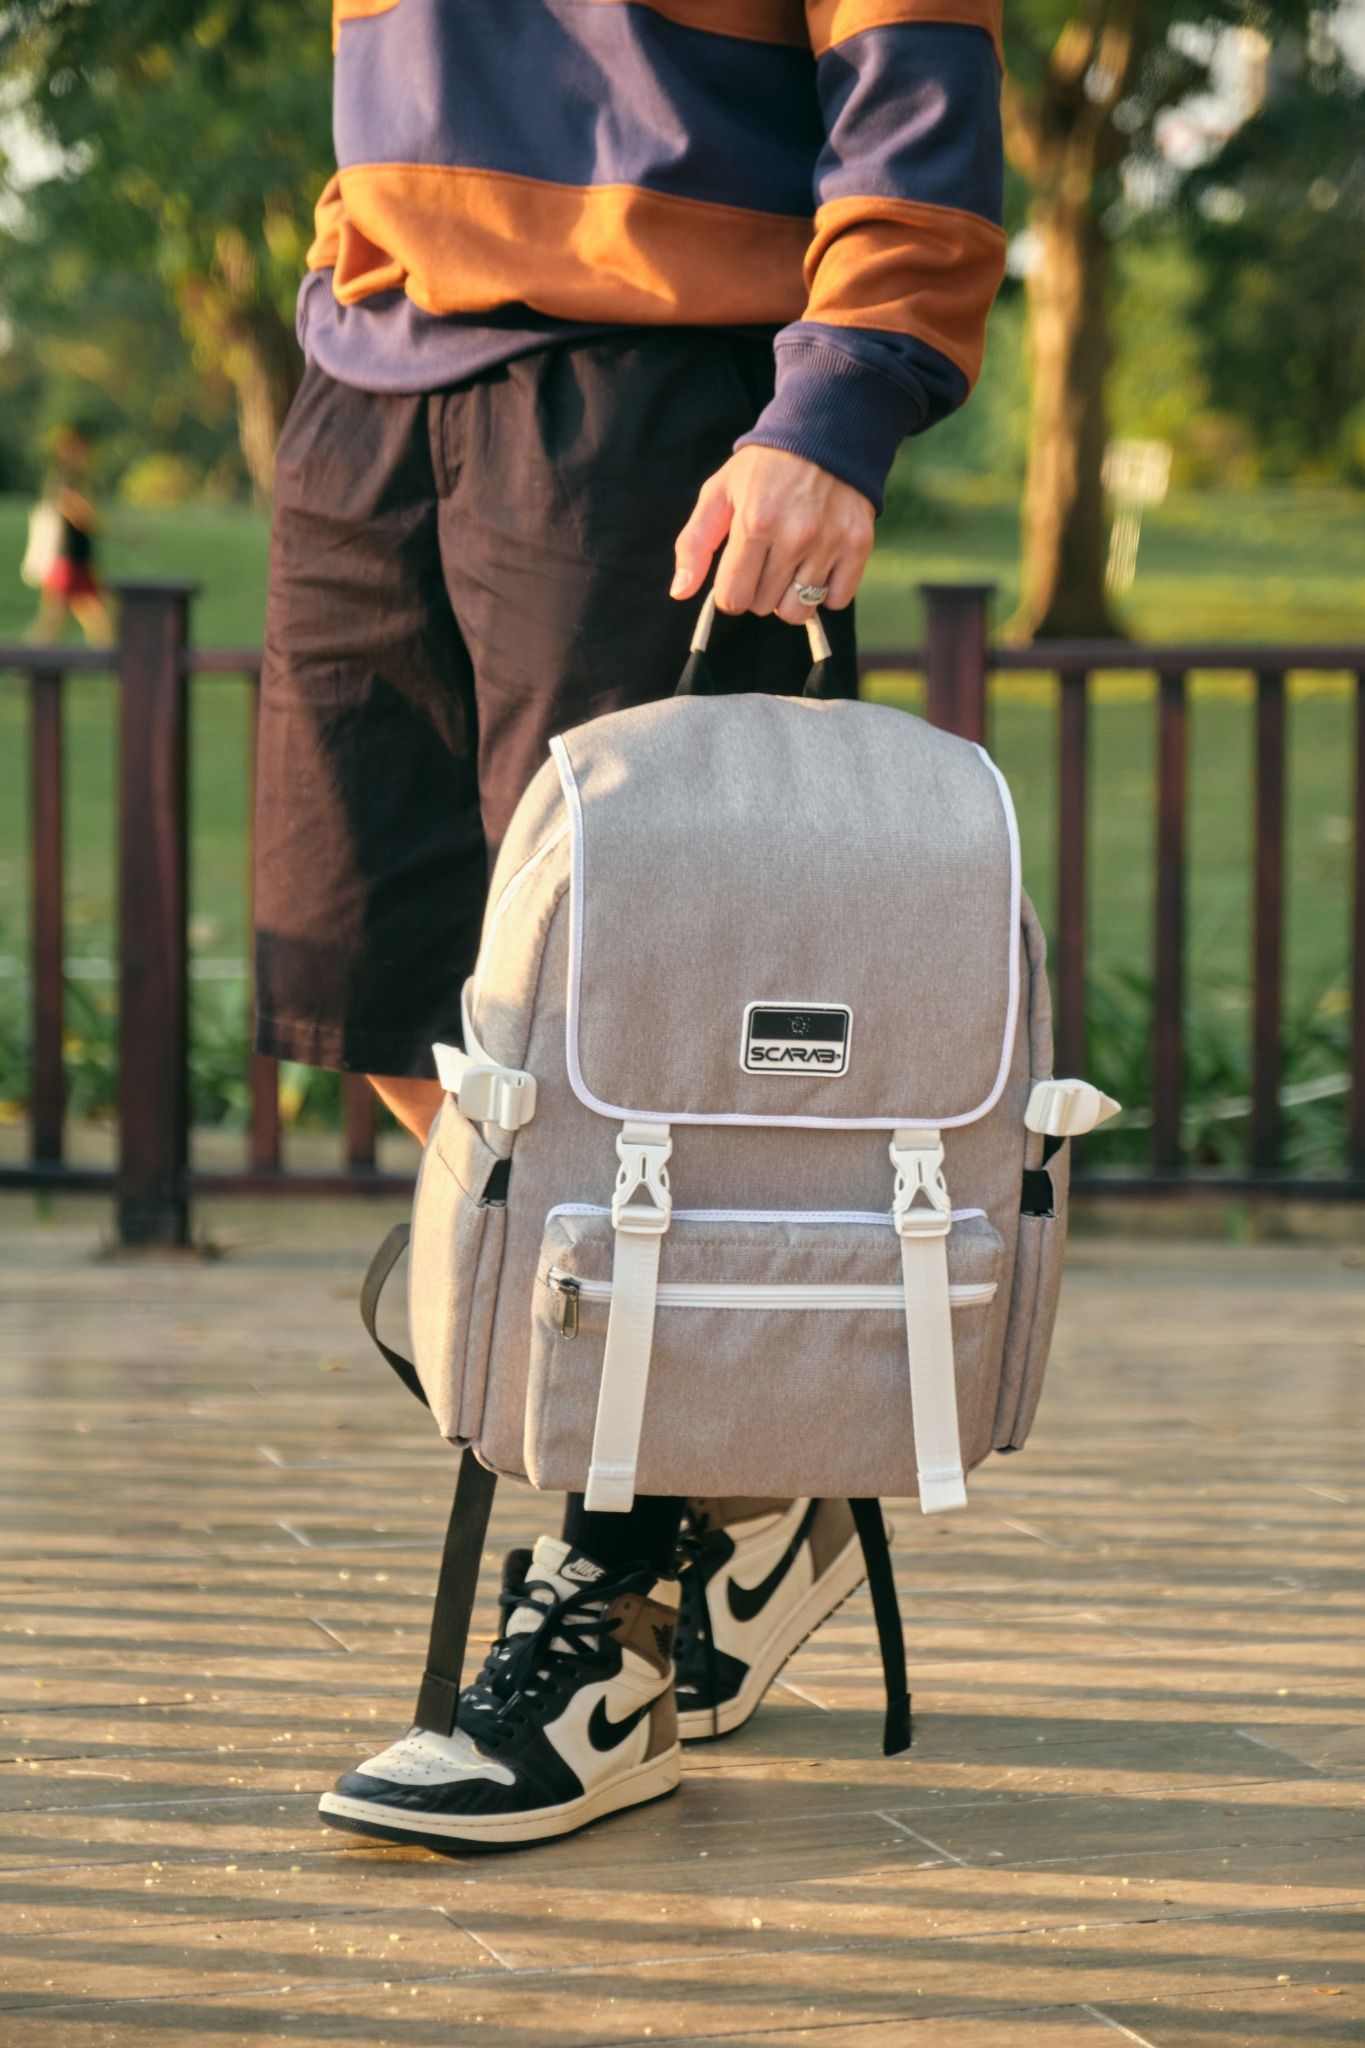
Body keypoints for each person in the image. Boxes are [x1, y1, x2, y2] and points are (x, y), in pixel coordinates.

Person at [254, 0, 1005, 1854]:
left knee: (635, 1058)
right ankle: (755, 1473)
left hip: (657, 386)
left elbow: (916, 69)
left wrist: (833, 408)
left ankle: (617, 1624)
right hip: (377, 358)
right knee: (373, 993)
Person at [23, 424, 113, 646]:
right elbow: (79, 514)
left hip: (79, 562)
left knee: (97, 620)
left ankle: (108, 666)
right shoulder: (64, 478)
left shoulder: (74, 478)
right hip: (66, 562)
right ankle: (25, 663)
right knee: (54, 620)